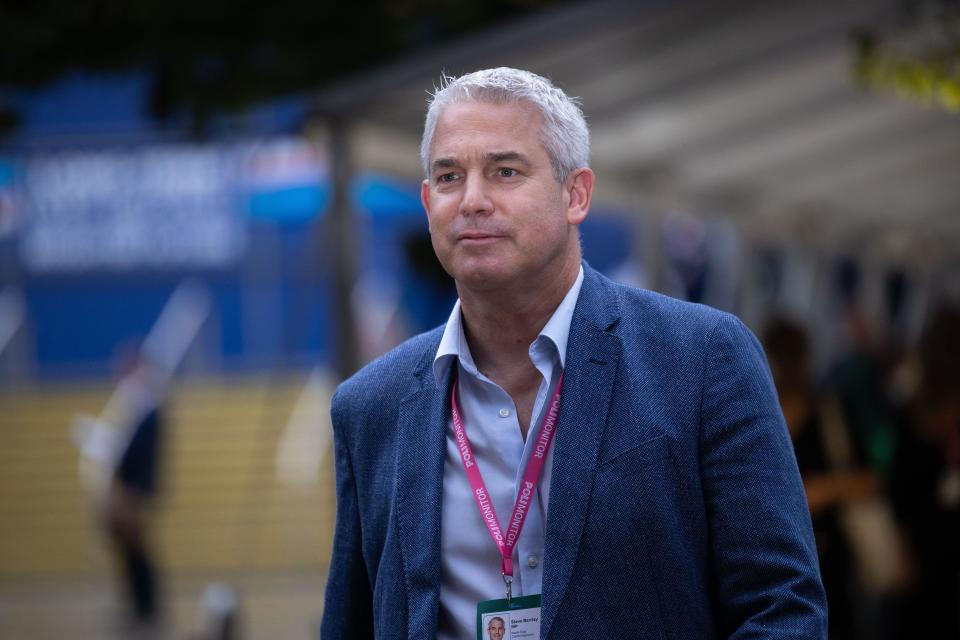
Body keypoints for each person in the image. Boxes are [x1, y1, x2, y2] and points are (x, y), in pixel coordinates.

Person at [321, 68, 826, 639]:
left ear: (576, 194)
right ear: (426, 200)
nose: (473, 200)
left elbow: (781, 608)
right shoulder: (370, 409)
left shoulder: (703, 359)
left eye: (505, 171)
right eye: (448, 176)